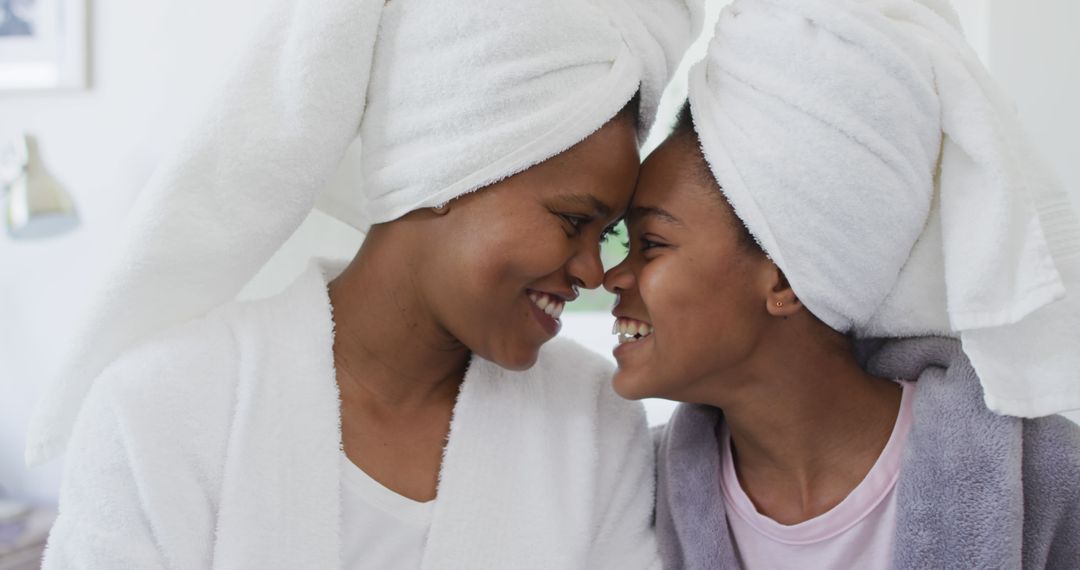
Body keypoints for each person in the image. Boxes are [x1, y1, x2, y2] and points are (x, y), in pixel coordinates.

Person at [31, 0, 699, 567]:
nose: (592, 272)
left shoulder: (591, 420)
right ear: (451, 169)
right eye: (573, 221)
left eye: (606, 232)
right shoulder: (161, 406)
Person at [603, 0, 1080, 568]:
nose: (611, 276)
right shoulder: (634, 500)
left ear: (783, 277)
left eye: (651, 243)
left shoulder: (1047, 483)